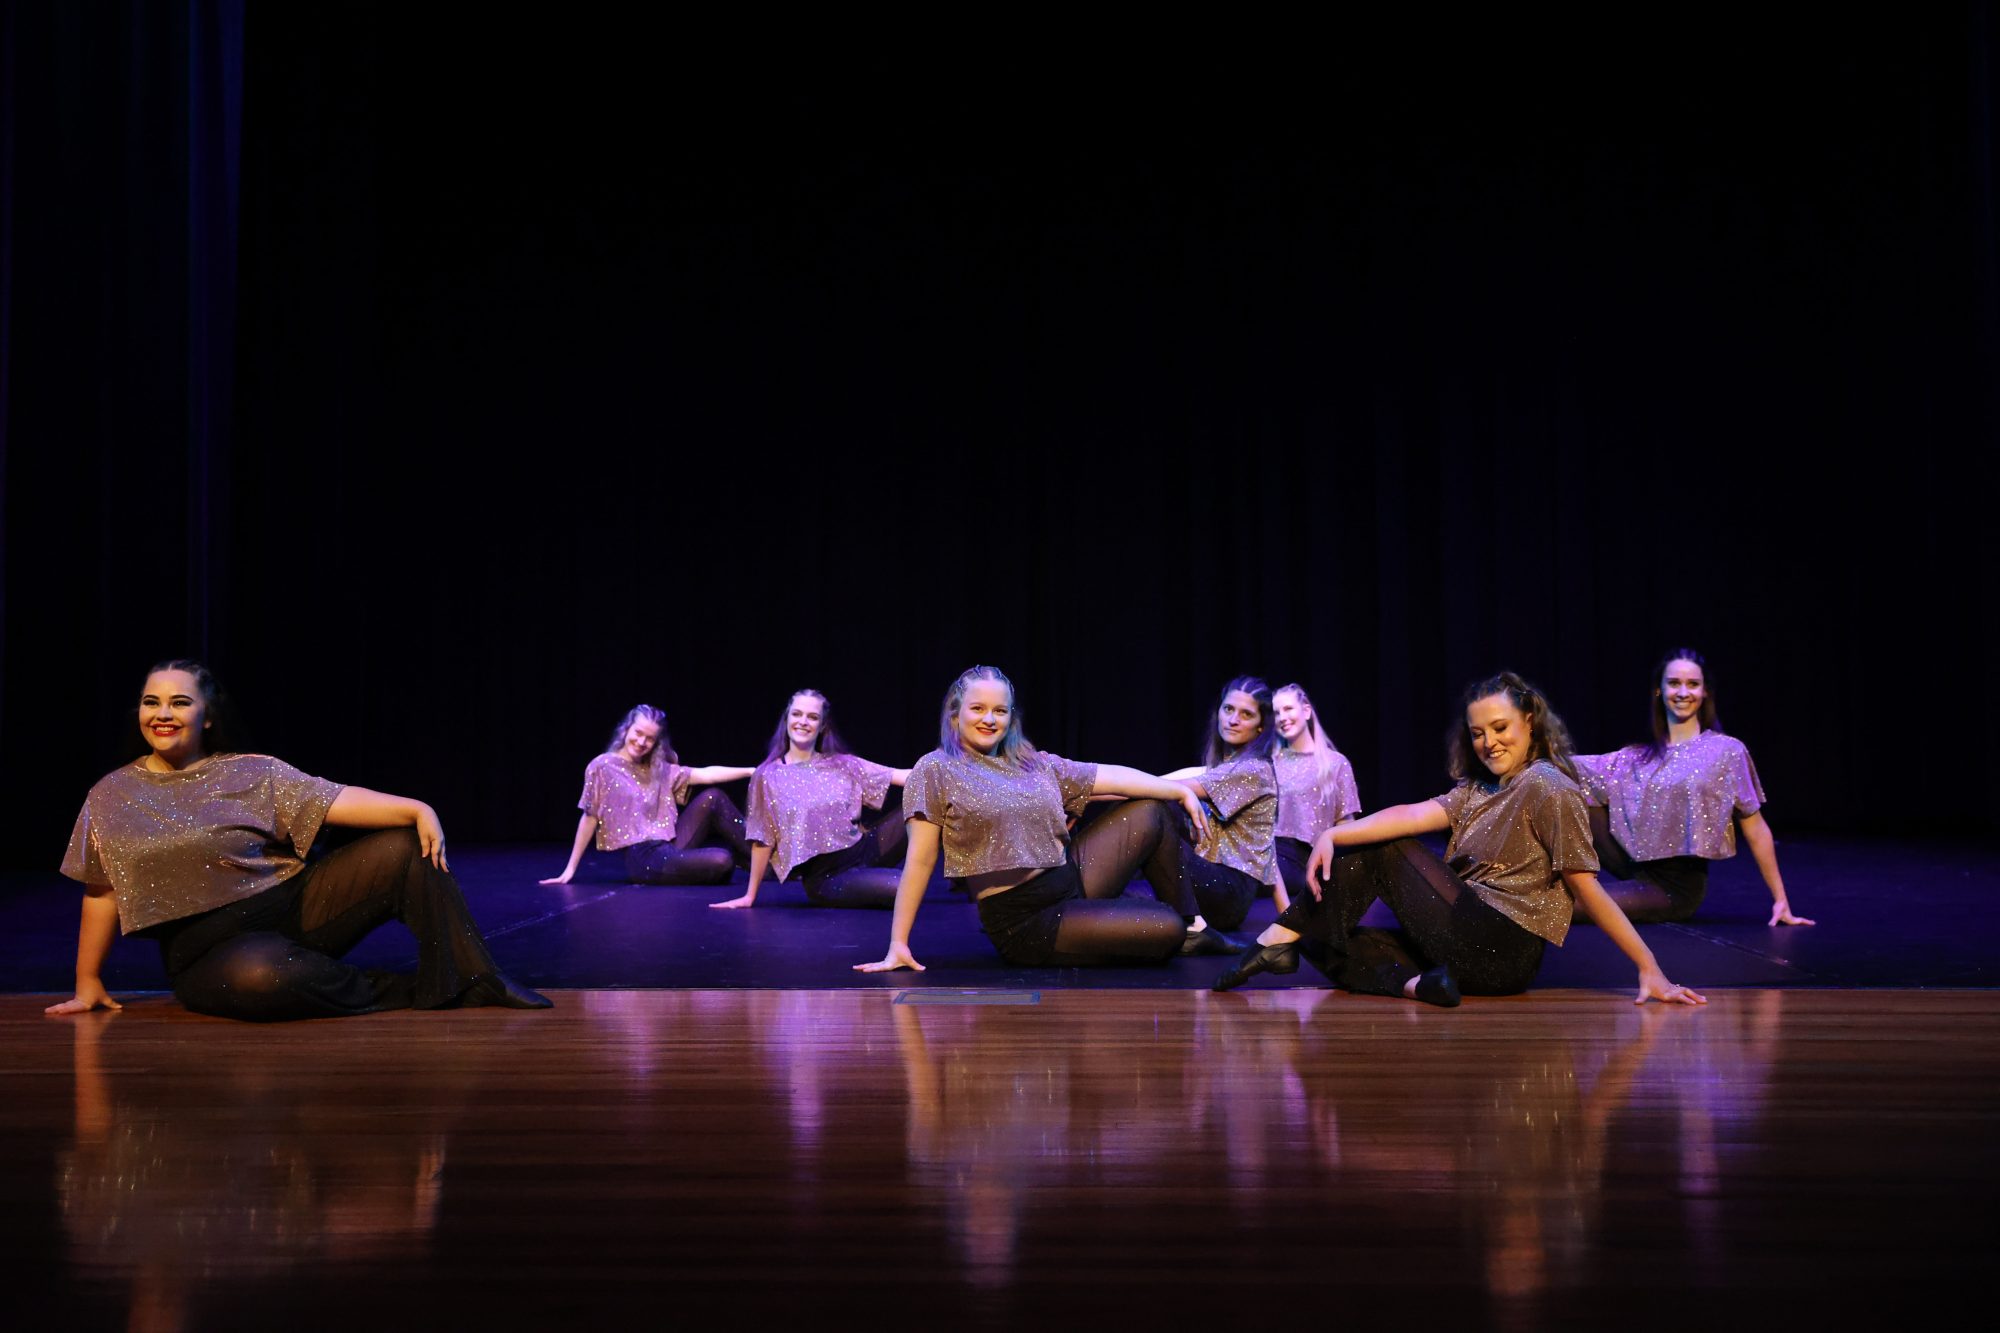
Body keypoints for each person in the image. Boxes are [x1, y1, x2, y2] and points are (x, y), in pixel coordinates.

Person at [47, 660, 550, 1021]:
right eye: (151, 701)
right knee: (265, 981)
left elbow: (334, 799)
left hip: (296, 904)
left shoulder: (251, 770)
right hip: (208, 951)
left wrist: (419, 807)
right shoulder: (112, 793)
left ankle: (473, 975)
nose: (163, 713)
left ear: (207, 717)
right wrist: (87, 980)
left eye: (180, 702)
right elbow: (101, 891)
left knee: (403, 848)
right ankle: (415, 989)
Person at [1215, 671, 1706, 1008]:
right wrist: (1333, 831)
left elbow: (1586, 886)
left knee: (1379, 853)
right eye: (1477, 733)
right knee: (1325, 938)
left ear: (1529, 723)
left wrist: (1649, 967)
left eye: (1499, 728)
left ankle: (1274, 937)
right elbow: (1411, 812)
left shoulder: (1548, 787)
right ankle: (1418, 987)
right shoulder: (1477, 790)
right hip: (1462, 945)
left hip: (1503, 947)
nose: (1488, 741)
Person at [854, 665, 1234, 972]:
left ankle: (1195, 926)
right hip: (1026, 918)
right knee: (1164, 929)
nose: (989, 719)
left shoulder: (1030, 762)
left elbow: (1108, 774)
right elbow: (920, 861)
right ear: (955, 716)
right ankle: (1169, 924)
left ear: (1010, 718)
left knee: (1151, 810)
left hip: (1068, 876)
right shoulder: (935, 770)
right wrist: (897, 944)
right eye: (978, 709)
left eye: (999, 711)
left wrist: (1180, 790)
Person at [1572, 649, 1812, 926]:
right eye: (1674, 683)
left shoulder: (1726, 751)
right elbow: (1573, 768)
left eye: (1693, 684)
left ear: (1705, 692)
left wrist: (1781, 900)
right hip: (1633, 864)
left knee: (1565, 908)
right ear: (1659, 691)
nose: (1683, 692)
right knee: (1558, 782)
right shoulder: (1638, 756)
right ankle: (1529, 877)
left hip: (1674, 889)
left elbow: (1755, 828)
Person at [711, 689, 912, 909]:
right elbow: (763, 838)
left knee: (927, 802)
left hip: (865, 850)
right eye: (797, 714)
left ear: (822, 726)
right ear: (787, 719)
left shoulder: (841, 763)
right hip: (828, 877)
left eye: (812, 717)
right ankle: (877, 880)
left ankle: (957, 878)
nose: (803, 722)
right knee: (904, 887)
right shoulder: (768, 776)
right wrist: (750, 896)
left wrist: (947, 769)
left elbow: (900, 775)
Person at [541, 705, 753, 886]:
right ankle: (735, 860)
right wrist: (569, 870)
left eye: (650, 738)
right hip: (643, 858)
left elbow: (705, 774)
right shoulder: (602, 766)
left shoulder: (657, 769)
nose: (641, 742)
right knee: (722, 860)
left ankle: (764, 862)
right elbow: (590, 816)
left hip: (668, 845)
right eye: (638, 733)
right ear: (626, 730)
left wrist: (751, 771)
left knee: (713, 798)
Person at [1160, 675, 1284, 931]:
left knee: (1150, 819)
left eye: (1246, 714)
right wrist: (1090, 792)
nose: (1233, 719)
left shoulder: (1252, 770)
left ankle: (1080, 898)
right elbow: (1152, 782)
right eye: (1228, 709)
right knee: (1150, 804)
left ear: (1261, 726)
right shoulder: (1221, 768)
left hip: (1227, 893)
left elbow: (1161, 788)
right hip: (1213, 885)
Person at [1269, 682, 1361, 913]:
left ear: (1306, 711)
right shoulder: (1270, 763)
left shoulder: (1335, 763)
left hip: (1315, 857)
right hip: (1276, 856)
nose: (1282, 717)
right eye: (1276, 712)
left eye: (1288, 709)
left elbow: (1346, 824)